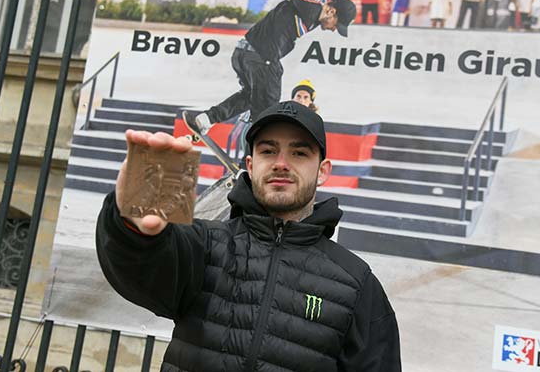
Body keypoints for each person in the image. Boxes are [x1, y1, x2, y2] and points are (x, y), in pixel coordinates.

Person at [96, 101, 402, 371]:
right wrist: (131, 226)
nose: (281, 163)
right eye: (268, 151)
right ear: (251, 166)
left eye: (299, 152)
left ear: (322, 171)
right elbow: (138, 267)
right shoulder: (205, 244)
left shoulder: (357, 283)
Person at [186, 0, 357, 137]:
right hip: (263, 58)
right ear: (331, 12)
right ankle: (252, 161)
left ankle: (207, 119)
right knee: (266, 114)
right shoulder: (312, 5)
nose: (334, 29)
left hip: (243, 53)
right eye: (337, 25)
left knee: (249, 96)